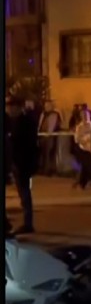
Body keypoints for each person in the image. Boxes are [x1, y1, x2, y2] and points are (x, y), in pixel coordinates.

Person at [7, 98, 39, 234]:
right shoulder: (13, 121)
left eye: (11, 106)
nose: (9, 109)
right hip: (17, 161)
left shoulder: (24, 122)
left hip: (23, 162)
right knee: (23, 192)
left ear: (18, 107)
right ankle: (27, 222)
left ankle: (28, 223)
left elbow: (26, 143)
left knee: (25, 192)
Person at [73, 110, 91, 190]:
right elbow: (77, 139)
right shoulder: (79, 127)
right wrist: (85, 139)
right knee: (89, 165)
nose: (85, 117)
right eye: (83, 116)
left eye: (86, 115)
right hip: (83, 149)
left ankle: (83, 183)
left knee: (87, 166)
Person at [37, 100, 62, 176]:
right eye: (45, 106)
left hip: (50, 137)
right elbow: (40, 124)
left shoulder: (54, 114)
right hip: (41, 136)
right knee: (43, 153)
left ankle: (49, 170)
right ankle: (43, 169)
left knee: (49, 153)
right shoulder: (43, 114)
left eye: (48, 106)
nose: (46, 107)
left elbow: (52, 126)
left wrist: (47, 134)